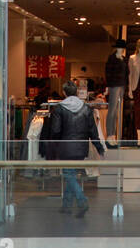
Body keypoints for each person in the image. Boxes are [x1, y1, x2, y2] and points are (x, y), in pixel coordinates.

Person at [43, 81, 104, 216]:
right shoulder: (86, 108)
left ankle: (82, 200)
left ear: (64, 93)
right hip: (81, 148)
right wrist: (99, 147)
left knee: (69, 174)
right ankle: (66, 205)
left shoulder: (59, 109)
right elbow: (93, 131)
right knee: (70, 174)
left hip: (65, 147)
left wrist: (53, 147)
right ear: (76, 92)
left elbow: (56, 130)